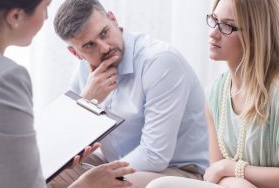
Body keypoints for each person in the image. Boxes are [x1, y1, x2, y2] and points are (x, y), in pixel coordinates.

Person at [146, 0, 279, 187]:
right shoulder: (216, 92)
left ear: (255, 35)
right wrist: (229, 174)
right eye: (214, 20)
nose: (213, 33)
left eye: (227, 26)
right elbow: (215, 176)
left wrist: (231, 168)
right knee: (159, 184)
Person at [0, 0, 135, 187]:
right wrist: (86, 184)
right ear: (15, 17)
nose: (46, 17)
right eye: (45, 7)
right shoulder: (2, 79)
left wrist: (56, 157)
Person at [51, 0, 210, 187]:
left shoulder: (160, 62)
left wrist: (93, 180)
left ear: (113, 19)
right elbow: (65, 142)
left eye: (104, 33)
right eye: (89, 45)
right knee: (38, 175)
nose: (103, 48)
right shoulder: (85, 71)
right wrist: (86, 100)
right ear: (75, 53)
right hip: (116, 163)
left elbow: (154, 156)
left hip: (176, 171)